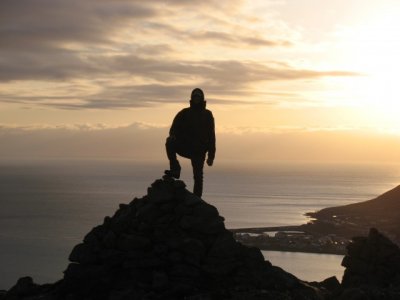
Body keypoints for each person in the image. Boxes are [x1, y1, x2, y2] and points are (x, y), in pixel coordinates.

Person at [165, 88, 216, 197]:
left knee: (198, 177)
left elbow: (212, 136)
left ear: (202, 98)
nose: (196, 98)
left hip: (199, 150)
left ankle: (197, 200)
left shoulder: (208, 115)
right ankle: (175, 169)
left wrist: (211, 155)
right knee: (169, 142)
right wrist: (173, 136)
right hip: (186, 147)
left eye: (198, 96)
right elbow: (174, 128)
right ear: (192, 98)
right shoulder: (184, 113)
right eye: (194, 96)